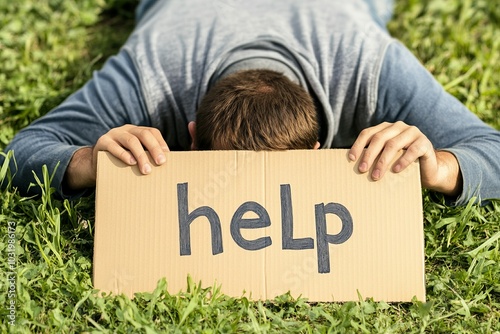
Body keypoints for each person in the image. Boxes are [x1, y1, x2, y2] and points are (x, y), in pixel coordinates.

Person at [2, 0, 499, 206]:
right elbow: (17, 153)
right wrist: (87, 162)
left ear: (318, 151)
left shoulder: (368, 64)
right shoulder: (154, 73)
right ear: (191, 135)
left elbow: (489, 148)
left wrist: (442, 169)